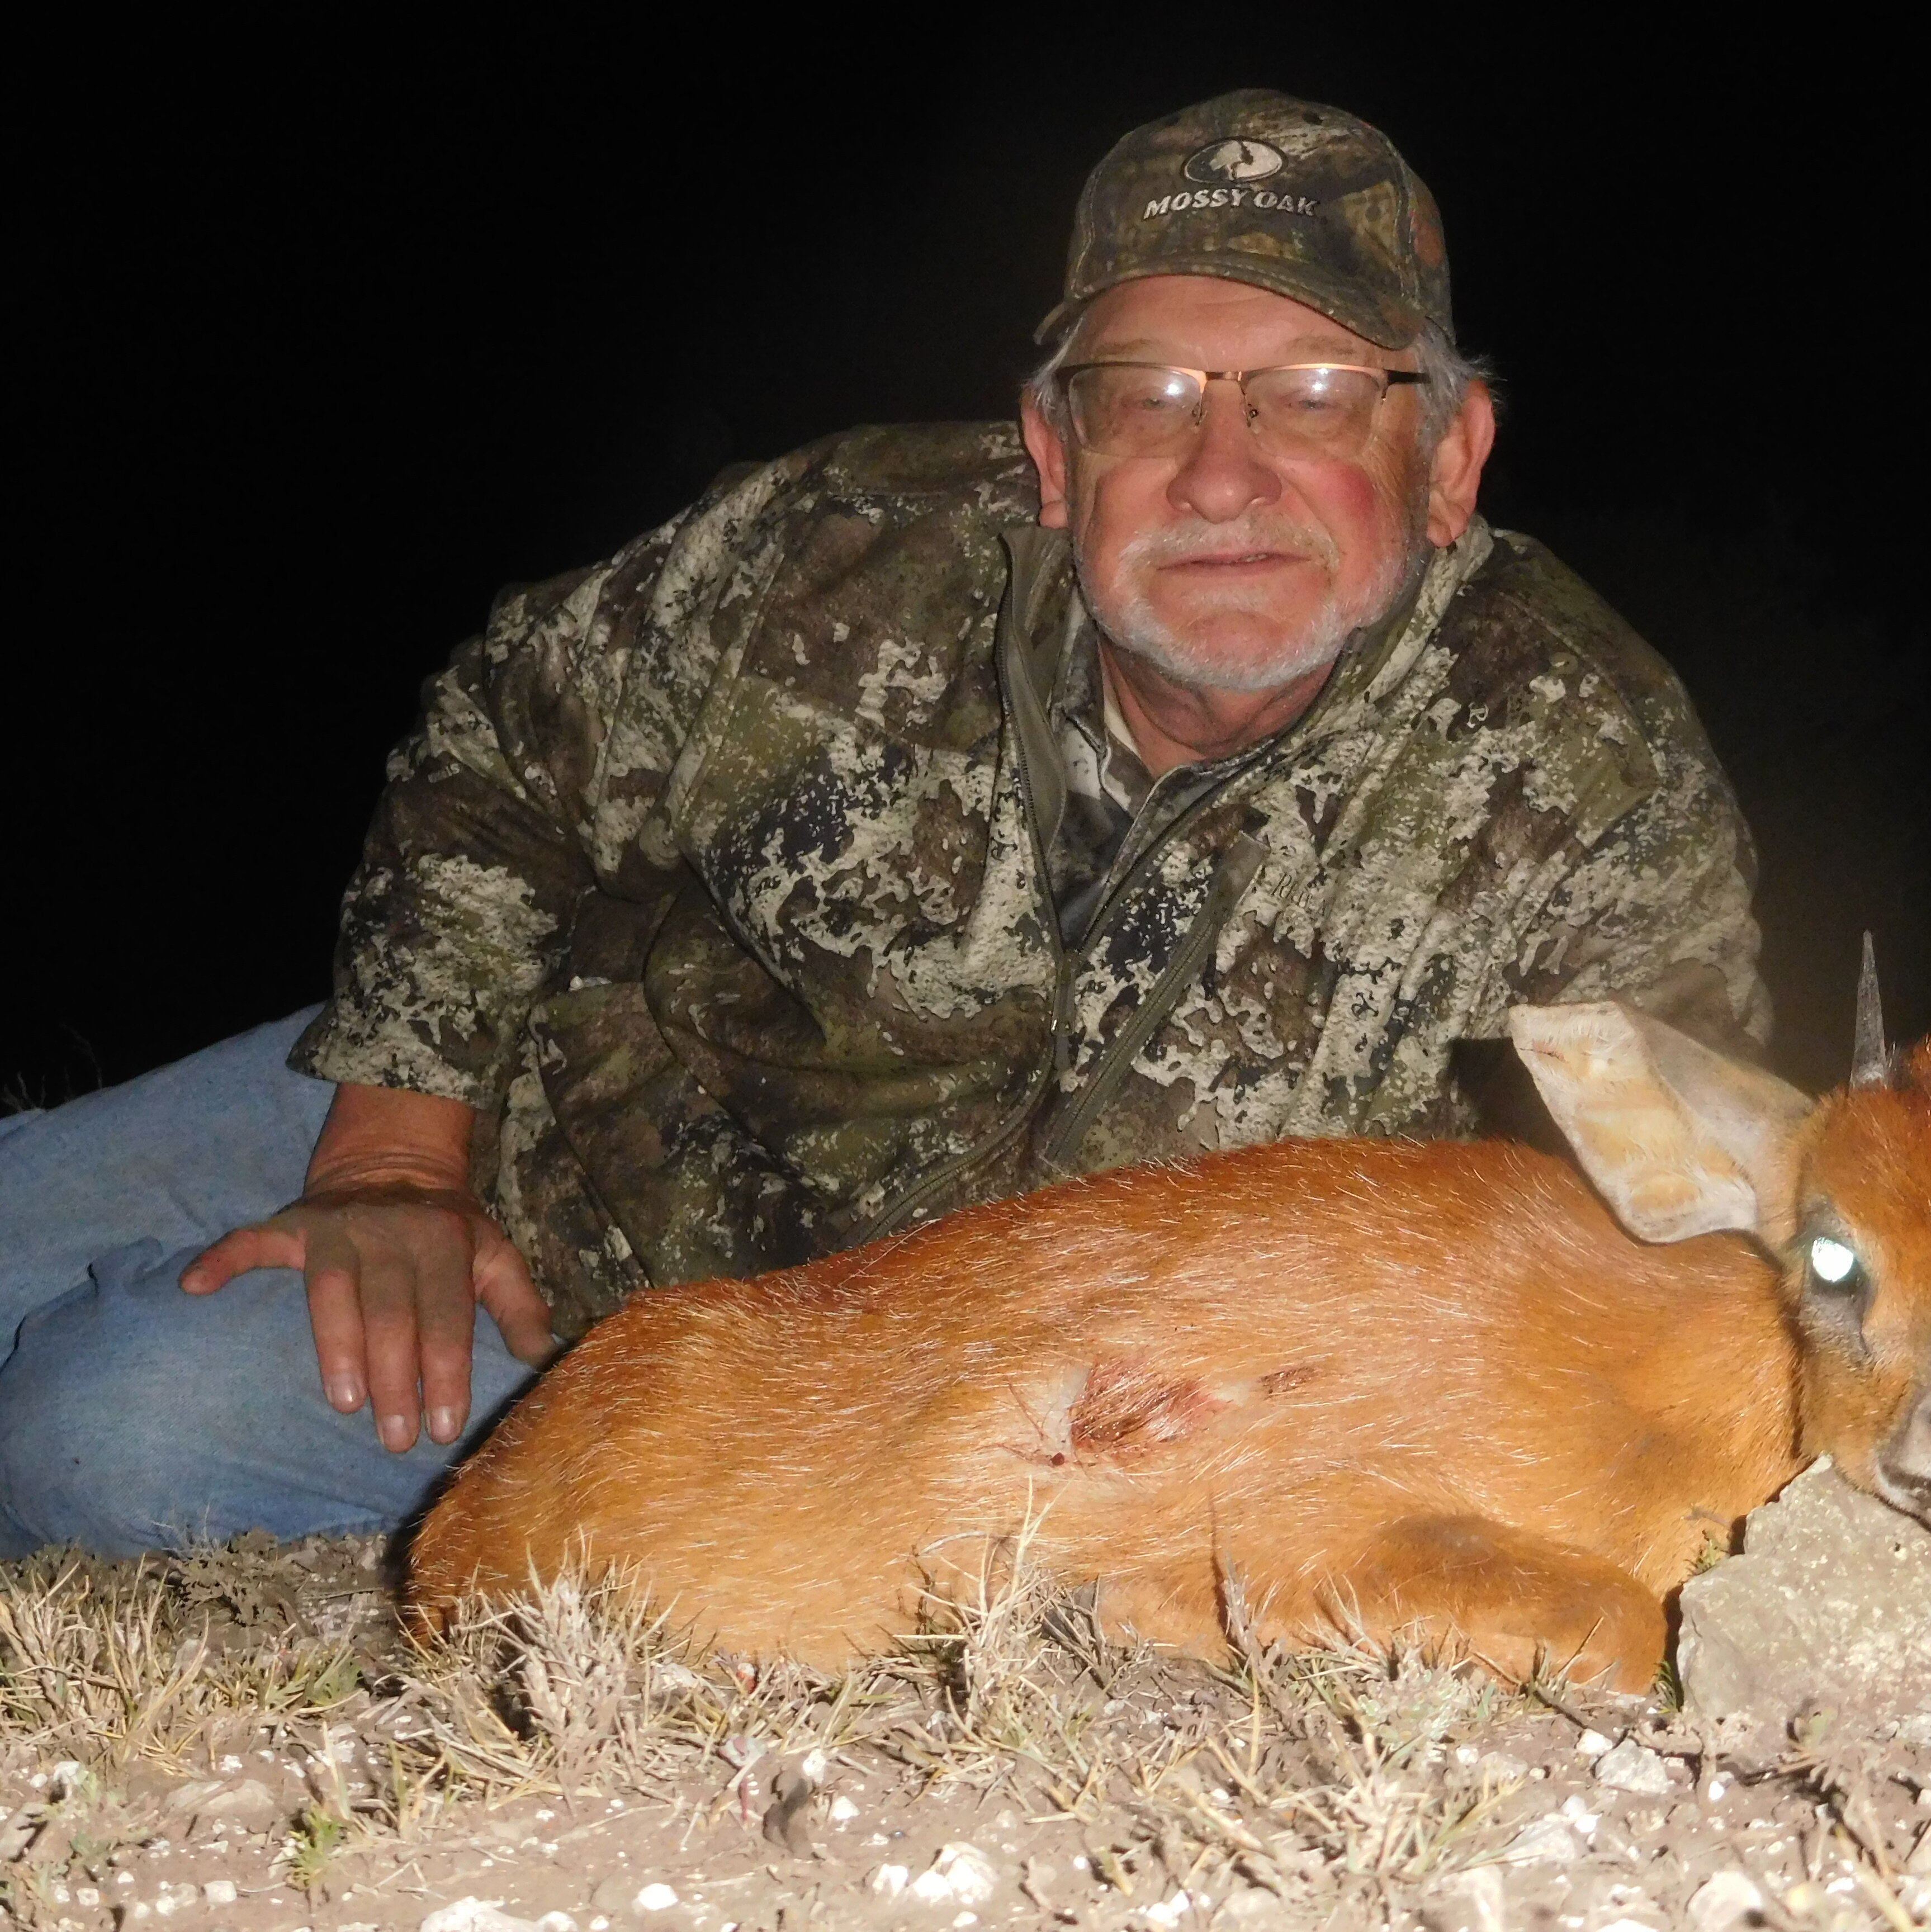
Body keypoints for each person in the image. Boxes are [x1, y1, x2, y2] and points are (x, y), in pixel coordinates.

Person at [0, 89, 1768, 1556]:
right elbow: (506, 737)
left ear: (1450, 458)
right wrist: (396, 1150)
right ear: (1055, 452)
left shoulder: (1589, 787)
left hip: (741, 1407)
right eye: (1150, 392)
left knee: (98, 1437)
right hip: (525, 1090)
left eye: (1318, 394)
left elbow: (1658, 1271)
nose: (1223, 472)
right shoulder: (839, 548)